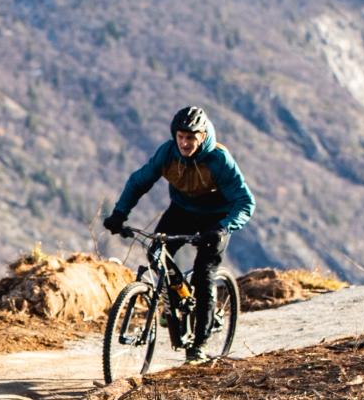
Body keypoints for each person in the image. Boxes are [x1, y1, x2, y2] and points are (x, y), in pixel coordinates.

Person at [102, 106, 255, 363]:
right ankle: (175, 301)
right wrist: (119, 214)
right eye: (181, 136)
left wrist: (224, 227)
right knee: (156, 252)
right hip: (182, 210)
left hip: (216, 218)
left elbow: (245, 202)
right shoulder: (168, 153)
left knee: (204, 273)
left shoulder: (219, 160)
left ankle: (198, 345)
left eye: (191, 137)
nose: (185, 142)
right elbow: (138, 181)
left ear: (203, 136)